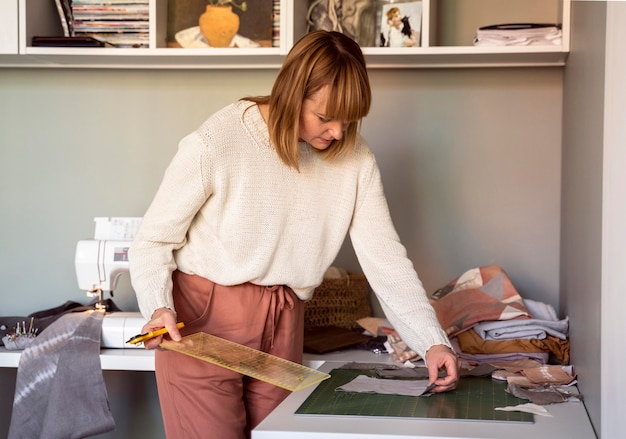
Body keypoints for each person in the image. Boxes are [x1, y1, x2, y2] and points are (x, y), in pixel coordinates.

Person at [129, 30, 458, 439]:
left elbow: (385, 259)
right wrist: (158, 306)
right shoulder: (220, 139)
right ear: (291, 93)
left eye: (349, 120)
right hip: (202, 323)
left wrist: (432, 341)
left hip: (283, 320)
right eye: (325, 117)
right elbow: (153, 240)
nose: (338, 132)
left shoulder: (356, 160)